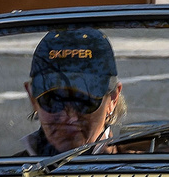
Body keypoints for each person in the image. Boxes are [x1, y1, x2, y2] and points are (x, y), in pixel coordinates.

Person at [20, 28, 125, 156]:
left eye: (83, 102)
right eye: (54, 101)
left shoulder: (141, 169)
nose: (69, 118)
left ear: (113, 100)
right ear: (33, 98)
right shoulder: (9, 170)